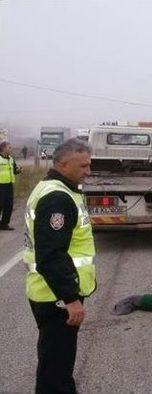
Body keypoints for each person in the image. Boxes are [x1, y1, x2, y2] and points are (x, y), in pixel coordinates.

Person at [24, 139, 96, 393]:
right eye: (83, 166)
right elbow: (51, 254)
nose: (88, 171)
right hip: (55, 297)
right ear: (63, 164)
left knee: (55, 363)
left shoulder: (53, 188)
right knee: (56, 371)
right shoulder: (58, 199)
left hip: (50, 292)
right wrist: (71, 299)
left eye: (89, 165)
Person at [0, 142, 21, 230]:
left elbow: (14, 171)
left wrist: (18, 170)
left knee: (9, 205)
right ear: (3, 148)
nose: (10, 149)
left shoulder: (11, 159)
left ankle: (4, 224)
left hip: (9, 185)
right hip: (0, 185)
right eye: (9, 147)